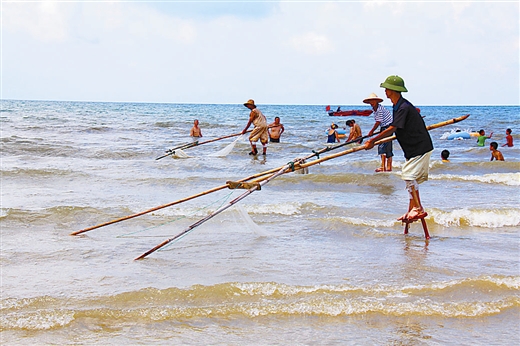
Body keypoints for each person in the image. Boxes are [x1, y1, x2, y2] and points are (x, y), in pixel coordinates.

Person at [364, 75, 434, 222]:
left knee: (408, 175)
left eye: (387, 88)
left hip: (419, 147)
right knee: (410, 179)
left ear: (393, 90)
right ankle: (411, 210)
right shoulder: (397, 106)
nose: (385, 91)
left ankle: (418, 208)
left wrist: (373, 140)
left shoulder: (403, 107)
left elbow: (392, 128)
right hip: (412, 149)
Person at [365, 93, 394, 172]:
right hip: (386, 127)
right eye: (370, 101)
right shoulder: (375, 109)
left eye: (373, 101)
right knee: (387, 146)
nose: (372, 102)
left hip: (387, 127)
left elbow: (378, 122)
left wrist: (371, 131)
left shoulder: (379, 109)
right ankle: (388, 167)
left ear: (376, 101)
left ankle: (383, 167)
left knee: (382, 146)